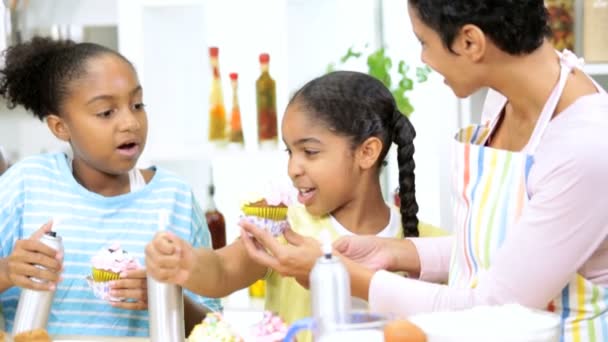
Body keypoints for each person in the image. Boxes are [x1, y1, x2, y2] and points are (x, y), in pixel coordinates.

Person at [244, 1, 608, 339]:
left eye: (424, 41)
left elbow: (498, 309)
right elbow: (506, 248)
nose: (423, 58)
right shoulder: (503, 100)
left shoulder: (585, 146)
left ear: (470, 42)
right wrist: (398, 253)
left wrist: (340, 275)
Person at [145, 71, 445, 337]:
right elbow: (223, 270)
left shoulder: (430, 247)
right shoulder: (283, 228)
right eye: (290, 152)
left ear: (367, 153)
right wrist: (185, 260)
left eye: (310, 152)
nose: (293, 168)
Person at [0, 37, 220, 337]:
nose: (130, 122)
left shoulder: (174, 199)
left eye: (137, 105)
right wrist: (7, 271)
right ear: (60, 127)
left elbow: (215, 328)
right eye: (106, 112)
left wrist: (165, 298)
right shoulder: (25, 186)